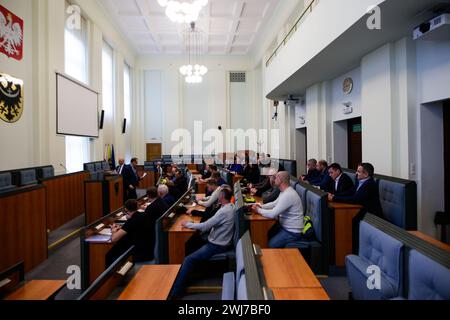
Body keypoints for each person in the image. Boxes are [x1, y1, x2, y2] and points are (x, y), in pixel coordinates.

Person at [170, 188, 236, 298]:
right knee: (191, 243)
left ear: (222, 197)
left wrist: (188, 224)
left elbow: (205, 226)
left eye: (219, 195)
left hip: (217, 245)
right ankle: (187, 275)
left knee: (188, 259)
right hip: (218, 240)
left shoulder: (224, 211)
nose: (217, 196)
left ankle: (176, 292)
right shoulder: (229, 206)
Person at [328, 163, 383, 254]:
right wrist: (334, 195)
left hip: (371, 215)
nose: (356, 173)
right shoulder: (360, 181)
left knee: (349, 222)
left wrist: (334, 198)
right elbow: (350, 192)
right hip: (361, 211)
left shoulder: (369, 184)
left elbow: (355, 199)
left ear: (366, 174)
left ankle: (352, 250)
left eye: (358, 171)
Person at [252, 172, 304, 248]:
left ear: (280, 179)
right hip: (285, 227)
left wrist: (258, 210)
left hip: (292, 232)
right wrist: (260, 206)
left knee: (271, 244)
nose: (274, 180)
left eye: (276, 178)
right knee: (266, 235)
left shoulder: (288, 194)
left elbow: (273, 214)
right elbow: (274, 203)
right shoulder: (284, 191)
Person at [111, 198, 158, 264]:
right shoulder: (146, 215)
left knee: (112, 256)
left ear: (126, 209)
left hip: (138, 256)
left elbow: (114, 239)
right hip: (150, 253)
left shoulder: (131, 221)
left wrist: (113, 231)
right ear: (137, 207)